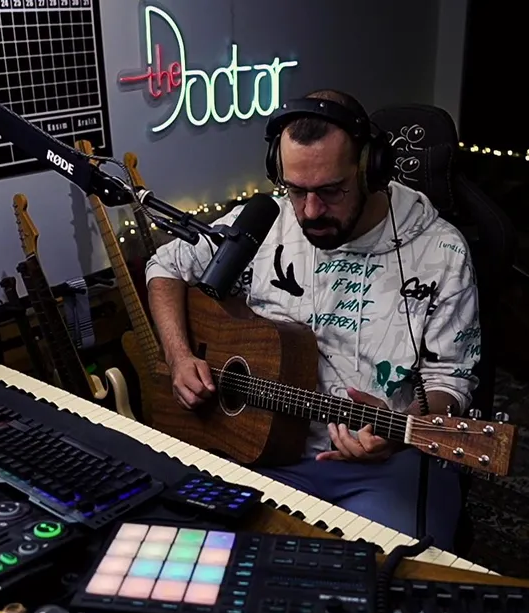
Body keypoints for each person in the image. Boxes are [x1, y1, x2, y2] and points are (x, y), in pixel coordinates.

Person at [144, 90, 481, 550]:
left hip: (383, 470)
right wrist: (179, 356)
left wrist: (401, 429)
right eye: (296, 190)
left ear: (369, 170)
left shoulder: (440, 251)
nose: (309, 211)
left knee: (378, 574)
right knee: (182, 546)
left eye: (330, 190)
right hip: (258, 449)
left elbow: (450, 381)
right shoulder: (265, 222)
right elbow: (166, 267)